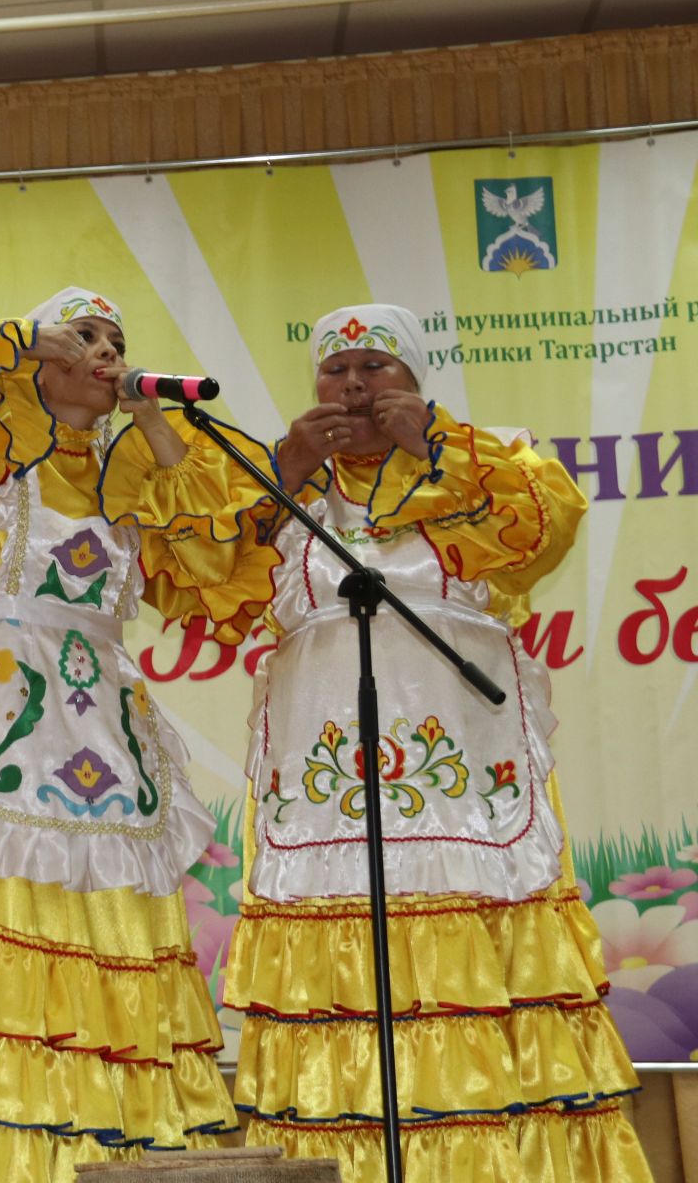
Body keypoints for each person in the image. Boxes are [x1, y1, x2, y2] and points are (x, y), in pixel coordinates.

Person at [99, 304, 650, 1181]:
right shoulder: (281, 489)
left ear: (417, 383)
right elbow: (197, 583)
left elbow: (547, 523)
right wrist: (284, 466)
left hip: (459, 775)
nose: (353, 386)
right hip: (328, 782)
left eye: (376, 369)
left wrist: (437, 442)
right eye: (336, 370)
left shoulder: (485, 457)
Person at [0, 289, 238, 1180]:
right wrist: (24, 340)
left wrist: (156, 429)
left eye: (118, 341)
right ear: (39, 357)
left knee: (120, 929)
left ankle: (133, 1142)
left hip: (107, 733)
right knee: (14, 933)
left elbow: (215, 558)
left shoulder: (128, 478)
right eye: (85, 337)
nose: (107, 351)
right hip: (5, 728)